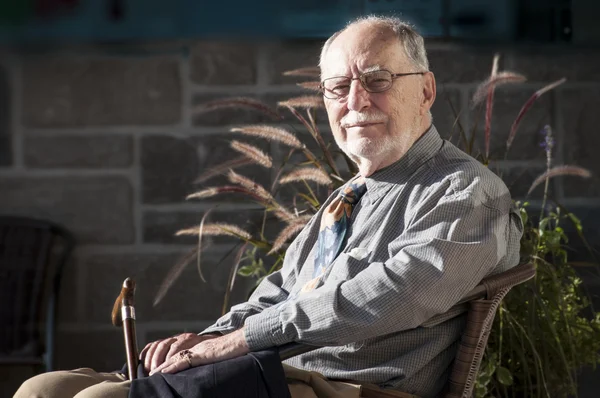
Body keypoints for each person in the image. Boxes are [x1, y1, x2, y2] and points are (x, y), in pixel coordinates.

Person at [14, 15, 523, 398]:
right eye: (338, 88)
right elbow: (277, 294)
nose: (356, 101)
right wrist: (204, 341)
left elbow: (393, 294)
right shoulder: (346, 200)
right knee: (45, 390)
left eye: (377, 80)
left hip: (348, 388)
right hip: (273, 371)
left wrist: (236, 344)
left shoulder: (465, 190)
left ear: (426, 89)